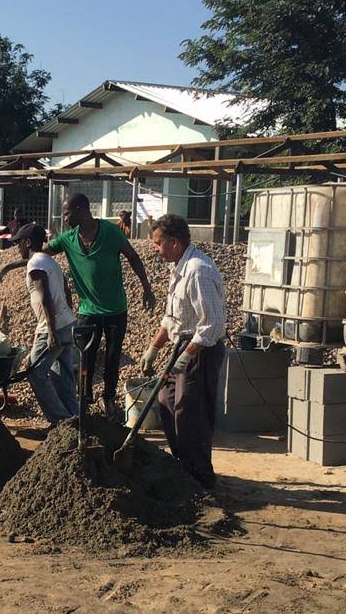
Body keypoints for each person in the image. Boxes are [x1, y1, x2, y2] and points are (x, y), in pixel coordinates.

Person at [48, 192, 156, 421]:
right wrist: (12, 265)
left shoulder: (110, 232)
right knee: (85, 357)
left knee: (112, 357)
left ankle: (109, 398)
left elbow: (133, 257)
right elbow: (41, 254)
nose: (65, 219)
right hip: (87, 312)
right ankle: (84, 400)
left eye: (67, 214)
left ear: (81, 210)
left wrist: (147, 289)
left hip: (116, 310)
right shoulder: (68, 239)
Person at [140, 213, 227, 491]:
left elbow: (212, 325)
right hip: (183, 346)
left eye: (158, 243)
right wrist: (153, 349)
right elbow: (171, 318)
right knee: (166, 400)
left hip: (201, 351)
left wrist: (186, 356)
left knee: (189, 411)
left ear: (175, 243)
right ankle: (182, 466)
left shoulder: (198, 271)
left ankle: (201, 477)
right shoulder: (179, 268)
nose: (156, 249)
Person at [0, 222, 77, 424]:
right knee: (62, 373)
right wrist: (66, 315)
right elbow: (67, 291)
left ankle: (61, 421)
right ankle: (75, 419)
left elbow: (45, 297)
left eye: (19, 243)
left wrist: (51, 331)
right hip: (67, 323)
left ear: (28, 242)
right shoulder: (49, 262)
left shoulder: (35, 265)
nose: (17, 247)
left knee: (35, 372)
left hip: (53, 327)